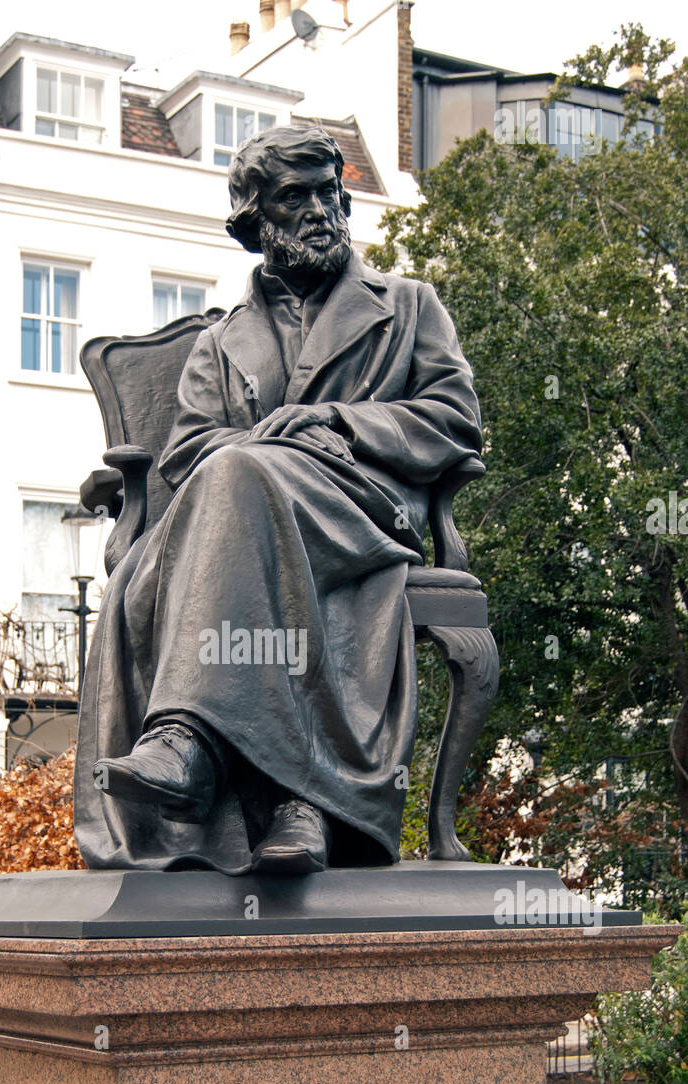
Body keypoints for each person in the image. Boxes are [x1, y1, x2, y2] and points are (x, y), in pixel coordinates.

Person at [74, 125, 482, 875]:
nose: (322, 210)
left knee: (239, 478)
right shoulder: (220, 343)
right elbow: (189, 455)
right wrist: (267, 446)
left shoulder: (411, 306)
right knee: (237, 478)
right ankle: (298, 808)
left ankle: (186, 744)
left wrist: (336, 421)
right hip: (247, 514)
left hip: (360, 509)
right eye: (296, 198)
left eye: (331, 192)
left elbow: (456, 421)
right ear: (257, 221)